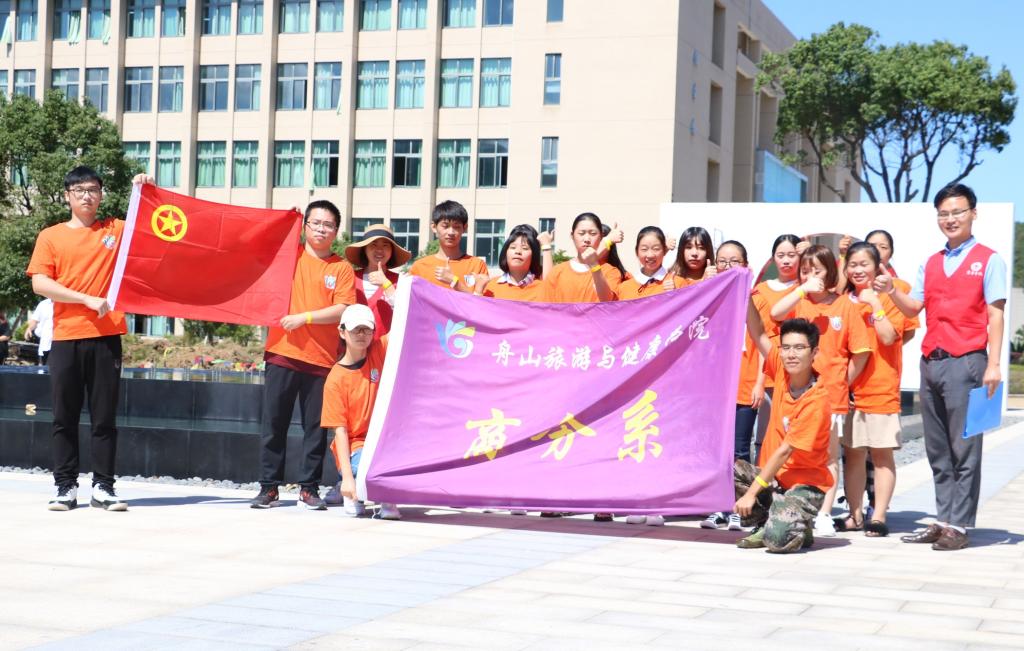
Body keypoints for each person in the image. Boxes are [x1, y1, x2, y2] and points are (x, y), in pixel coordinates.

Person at [878, 183, 1006, 551]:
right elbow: (913, 308)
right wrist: (890, 290)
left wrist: (994, 364)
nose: (951, 219)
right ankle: (944, 519)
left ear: (973, 214)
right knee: (938, 449)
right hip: (931, 361)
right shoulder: (931, 262)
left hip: (967, 361)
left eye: (958, 211)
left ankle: (960, 526)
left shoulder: (989, 260)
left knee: (964, 447)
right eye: (944, 213)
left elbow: (996, 315)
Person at [27, 166, 142, 512]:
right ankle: (65, 487)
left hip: (106, 337)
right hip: (66, 337)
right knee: (64, 417)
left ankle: (104, 487)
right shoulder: (51, 236)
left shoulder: (114, 230)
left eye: (93, 189)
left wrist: (142, 188)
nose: (87, 196)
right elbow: (40, 283)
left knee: (104, 418)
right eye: (79, 191)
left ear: (101, 195)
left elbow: (152, 224)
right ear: (68, 196)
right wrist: (85, 299)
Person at [252, 200, 355, 511]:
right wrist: (288, 220)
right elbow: (261, 243)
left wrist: (305, 318)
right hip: (282, 353)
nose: (321, 229)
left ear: (336, 231)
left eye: (328, 225)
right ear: (306, 226)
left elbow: (343, 308)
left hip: (321, 359)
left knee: (316, 428)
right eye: (316, 223)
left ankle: (309, 488)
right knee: (274, 423)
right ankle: (269, 487)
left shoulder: (341, 268)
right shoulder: (289, 256)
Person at [771, 244, 872, 536]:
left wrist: (842, 381)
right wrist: (802, 290)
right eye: (805, 270)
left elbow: (861, 352)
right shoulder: (799, 300)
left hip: (831, 396)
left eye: (817, 270)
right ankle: (792, 507)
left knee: (828, 455)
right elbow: (776, 312)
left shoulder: (844, 306)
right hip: (796, 393)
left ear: (830, 272)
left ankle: (825, 513)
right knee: (792, 451)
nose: (811, 276)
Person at [734, 313, 833, 553]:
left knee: (778, 541)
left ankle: (795, 524)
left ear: (814, 352)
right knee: (730, 471)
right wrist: (747, 295)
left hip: (806, 486)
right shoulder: (781, 370)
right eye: (786, 347)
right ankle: (767, 521)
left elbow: (785, 451)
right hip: (776, 479)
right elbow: (758, 331)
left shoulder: (817, 400)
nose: (791, 354)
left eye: (799, 348)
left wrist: (751, 494)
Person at [838, 241, 915, 537]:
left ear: (877, 266)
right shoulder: (843, 301)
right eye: (853, 265)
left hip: (881, 387)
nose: (858, 270)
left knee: (882, 456)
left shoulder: (893, 294)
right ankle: (854, 515)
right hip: (849, 392)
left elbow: (888, 338)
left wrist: (875, 303)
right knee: (853, 455)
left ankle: (879, 515)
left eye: (864, 264)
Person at [702, 240, 764, 532]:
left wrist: (760, 382)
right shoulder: (710, 296)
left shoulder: (757, 298)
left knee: (740, 450)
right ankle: (717, 506)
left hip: (744, 385)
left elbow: (764, 342)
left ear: (746, 265)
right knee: (717, 450)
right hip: (716, 388)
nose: (728, 267)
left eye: (734, 261)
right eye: (722, 262)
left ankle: (741, 508)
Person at [321, 304, 400, 520]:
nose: (361, 335)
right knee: (369, 464)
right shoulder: (335, 380)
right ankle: (354, 489)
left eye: (366, 329)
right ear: (342, 332)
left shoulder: (378, 351)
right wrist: (347, 477)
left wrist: (394, 295)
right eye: (356, 329)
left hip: (385, 440)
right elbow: (340, 432)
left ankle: (384, 494)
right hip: (357, 446)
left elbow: (403, 324)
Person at [750, 234, 802, 458]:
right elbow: (761, 336)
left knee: (793, 433)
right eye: (781, 255)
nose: (786, 260)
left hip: (799, 373)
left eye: (792, 255)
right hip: (769, 369)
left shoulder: (806, 288)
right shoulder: (760, 290)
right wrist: (760, 382)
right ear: (773, 259)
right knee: (764, 433)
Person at [343, 224, 412, 338]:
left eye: (385, 245)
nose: (379, 250)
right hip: (353, 346)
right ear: (364, 249)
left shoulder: (401, 281)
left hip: (387, 347)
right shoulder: (349, 278)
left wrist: (387, 285)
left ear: (392, 251)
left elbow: (408, 315)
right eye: (373, 245)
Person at [408, 201, 488, 291]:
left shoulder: (477, 265)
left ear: (465, 228)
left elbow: (480, 299)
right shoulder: (420, 267)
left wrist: (455, 281)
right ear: (434, 227)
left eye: (456, 227)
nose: (451, 232)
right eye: (445, 226)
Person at [545, 213, 625, 303]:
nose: (586, 239)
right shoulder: (557, 272)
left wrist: (594, 265)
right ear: (572, 235)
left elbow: (607, 301)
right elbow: (547, 306)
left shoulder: (610, 272)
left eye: (593, 233)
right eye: (581, 233)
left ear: (601, 236)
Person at [466, 224, 547, 301]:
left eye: (525, 248)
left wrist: (547, 246)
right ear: (505, 252)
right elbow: (477, 310)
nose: (518, 251)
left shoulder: (542, 288)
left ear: (534, 255)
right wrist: (478, 291)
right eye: (513, 247)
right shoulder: (491, 286)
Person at [616, 226, 682, 301]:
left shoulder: (678, 283)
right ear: (636, 252)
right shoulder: (624, 289)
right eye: (644, 249)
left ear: (664, 250)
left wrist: (675, 296)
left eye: (656, 249)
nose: (650, 255)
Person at [25, 298, 54, 366]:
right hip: (46, 344)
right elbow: (35, 320)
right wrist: (29, 328)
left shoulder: (66, 301)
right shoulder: (43, 304)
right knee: (44, 368)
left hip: (61, 343)